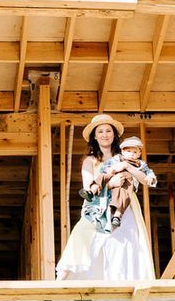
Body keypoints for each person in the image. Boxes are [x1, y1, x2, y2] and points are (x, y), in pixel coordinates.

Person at [55, 114, 157, 282]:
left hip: (123, 207)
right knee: (80, 236)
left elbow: (143, 179)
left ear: (114, 134)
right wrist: (110, 183)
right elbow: (88, 187)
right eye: (100, 131)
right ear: (95, 136)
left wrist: (127, 169)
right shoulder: (90, 161)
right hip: (97, 206)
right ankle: (60, 283)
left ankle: (123, 287)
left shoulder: (126, 157)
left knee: (121, 244)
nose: (105, 134)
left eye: (108, 130)